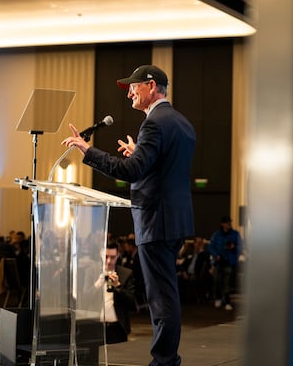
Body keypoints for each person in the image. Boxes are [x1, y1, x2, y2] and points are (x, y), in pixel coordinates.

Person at [62, 65, 196, 366]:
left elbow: (130, 171)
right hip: (174, 219)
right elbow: (163, 169)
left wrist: (88, 151)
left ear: (151, 86)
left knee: (161, 298)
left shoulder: (153, 124)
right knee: (166, 293)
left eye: (133, 87)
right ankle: (167, 358)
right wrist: (139, 153)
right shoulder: (181, 123)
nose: (130, 93)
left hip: (156, 219)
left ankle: (164, 361)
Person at [93, 241, 136, 344]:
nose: (108, 261)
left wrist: (118, 286)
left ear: (118, 256)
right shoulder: (92, 271)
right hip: (95, 327)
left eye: (112, 257)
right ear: (101, 254)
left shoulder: (126, 274)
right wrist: (98, 284)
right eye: (106, 256)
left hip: (117, 328)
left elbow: (132, 303)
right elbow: (83, 298)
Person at [208, 216, 243, 311]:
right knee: (216, 280)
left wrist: (234, 249)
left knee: (227, 282)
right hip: (219, 261)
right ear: (222, 224)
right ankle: (218, 298)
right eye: (227, 222)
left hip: (229, 261)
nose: (229, 224)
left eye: (229, 222)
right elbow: (210, 246)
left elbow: (240, 247)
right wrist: (216, 255)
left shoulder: (235, 234)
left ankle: (227, 301)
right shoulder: (216, 235)